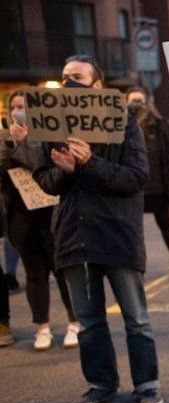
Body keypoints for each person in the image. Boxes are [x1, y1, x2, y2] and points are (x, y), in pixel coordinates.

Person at [34, 54, 162, 403]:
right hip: (75, 237)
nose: (68, 81)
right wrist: (64, 171)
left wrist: (91, 163)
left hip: (117, 235)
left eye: (77, 76)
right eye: (64, 76)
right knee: (89, 322)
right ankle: (101, 383)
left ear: (97, 87)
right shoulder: (52, 127)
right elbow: (44, 181)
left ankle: (146, 385)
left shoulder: (123, 124)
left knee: (136, 319)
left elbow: (136, 178)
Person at [1, 90, 81, 351]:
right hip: (21, 215)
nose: (17, 111)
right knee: (34, 273)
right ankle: (42, 327)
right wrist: (10, 145)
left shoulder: (49, 135)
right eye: (13, 107)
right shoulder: (4, 137)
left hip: (49, 212)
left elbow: (44, 165)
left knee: (61, 270)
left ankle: (74, 322)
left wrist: (25, 143)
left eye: (22, 106)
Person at [126, 87, 169, 280]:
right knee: (134, 232)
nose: (137, 104)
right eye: (133, 101)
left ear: (147, 102)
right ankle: (135, 270)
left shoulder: (160, 125)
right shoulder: (121, 126)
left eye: (140, 101)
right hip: (134, 189)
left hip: (159, 187)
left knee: (166, 225)